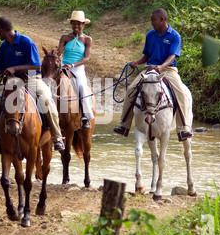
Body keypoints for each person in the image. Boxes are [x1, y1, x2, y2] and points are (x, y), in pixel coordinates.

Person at [0, 16, 65, 152]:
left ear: (1, 30)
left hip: (31, 80)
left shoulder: (26, 42)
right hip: (12, 82)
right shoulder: (4, 46)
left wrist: (15, 68)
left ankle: (57, 136)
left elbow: (36, 66)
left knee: (47, 100)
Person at [113, 8, 193, 141]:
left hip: (168, 70)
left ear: (162, 20)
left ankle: (183, 128)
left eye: (153, 20)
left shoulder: (174, 36)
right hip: (149, 68)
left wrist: (161, 67)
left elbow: (172, 56)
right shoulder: (150, 35)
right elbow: (146, 55)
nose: (152, 23)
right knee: (131, 90)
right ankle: (124, 124)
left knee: (181, 93)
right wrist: (137, 62)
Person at [57, 11, 94, 129]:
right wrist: (58, 55)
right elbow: (59, 51)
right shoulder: (65, 37)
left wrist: (72, 65)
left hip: (77, 68)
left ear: (83, 25)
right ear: (71, 24)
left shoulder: (87, 40)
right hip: (63, 66)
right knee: (49, 83)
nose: (76, 26)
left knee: (82, 87)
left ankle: (85, 117)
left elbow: (86, 58)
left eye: (79, 24)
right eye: (74, 24)